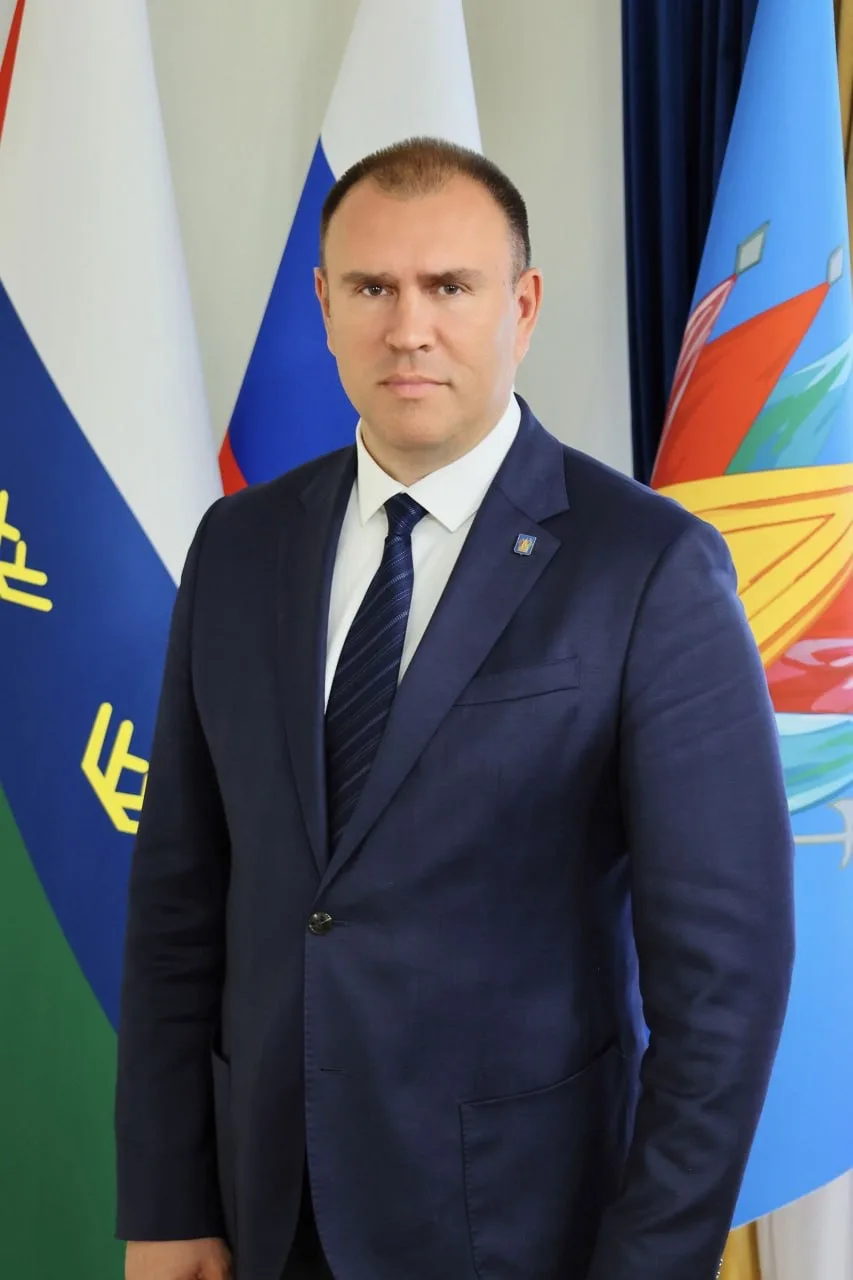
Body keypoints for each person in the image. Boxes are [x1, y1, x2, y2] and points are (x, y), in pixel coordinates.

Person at [115, 137, 795, 1280]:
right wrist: (168, 1200)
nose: (408, 328)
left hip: (520, 1224)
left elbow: (724, 979)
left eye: (448, 286)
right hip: (261, 1207)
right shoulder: (237, 545)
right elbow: (180, 900)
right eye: (372, 288)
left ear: (520, 306)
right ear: (324, 305)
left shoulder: (649, 567)